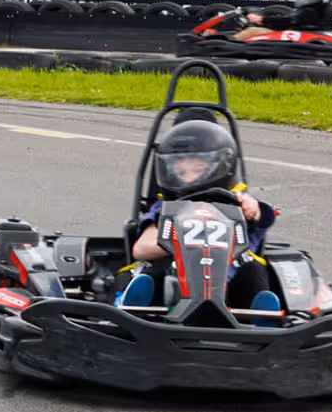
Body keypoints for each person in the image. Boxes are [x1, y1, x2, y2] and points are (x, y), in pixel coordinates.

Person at [120, 118, 283, 317]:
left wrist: (253, 209)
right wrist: (184, 240)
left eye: (197, 169)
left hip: (231, 292)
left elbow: (262, 216)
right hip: (176, 290)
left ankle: (263, 317)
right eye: (180, 171)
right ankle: (134, 308)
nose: (188, 177)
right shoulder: (165, 208)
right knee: (154, 270)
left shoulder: (239, 205)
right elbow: (141, 249)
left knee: (253, 269)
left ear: (220, 166)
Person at [243, 0, 332, 34]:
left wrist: (261, 19)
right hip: (296, 32)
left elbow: (287, 21)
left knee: (251, 31)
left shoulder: (308, 12)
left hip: (293, 34)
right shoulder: (316, 9)